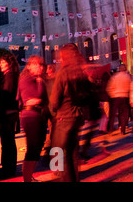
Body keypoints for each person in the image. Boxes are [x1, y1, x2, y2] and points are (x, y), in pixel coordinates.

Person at [49, 43, 93, 182]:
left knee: (59, 152)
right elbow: (88, 95)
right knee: (73, 151)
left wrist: (53, 110)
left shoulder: (63, 73)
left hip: (64, 117)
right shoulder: (81, 73)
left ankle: (63, 179)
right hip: (77, 116)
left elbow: (55, 100)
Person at [16, 56, 48, 182]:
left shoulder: (37, 79)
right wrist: (40, 83)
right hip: (31, 116)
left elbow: (43, 99)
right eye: (36, 64)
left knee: (38, 147)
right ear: (29, 66)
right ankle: (27, 178)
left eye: (41, 65)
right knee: (32, 148)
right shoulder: (26, 79)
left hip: (38, 115)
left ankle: (29, 176)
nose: (39, 67)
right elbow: (38, 96)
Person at [0, 53, 20, 180]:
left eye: (2, 62)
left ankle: (8, 169)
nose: (0, 64)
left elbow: (5, 97)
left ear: (8, 64)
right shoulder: (10, 76)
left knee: (7, 142)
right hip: (10, 113)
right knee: (9, 142)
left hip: (7, 114)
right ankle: (9, 167)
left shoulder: (10, 77)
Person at [106, 64, 131, 135]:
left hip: (116, 97)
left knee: (113, 114)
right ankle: (123, 129)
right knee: (123, 113)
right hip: (125, 96)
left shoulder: (115, 77)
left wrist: (112, 94)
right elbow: (130, 86)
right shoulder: (127, 77)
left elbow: (109, 87)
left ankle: (110, 129)